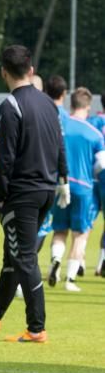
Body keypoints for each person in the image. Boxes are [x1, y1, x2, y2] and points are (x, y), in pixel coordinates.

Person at [0, 44, 68, 343]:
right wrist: (61, 179)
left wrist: (0, 194)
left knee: (24, 258)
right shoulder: (49, 105)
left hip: (22, 194)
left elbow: (6, 155)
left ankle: (36, 328)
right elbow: (59, 147)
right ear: (30, 70)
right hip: (46, 190)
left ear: (3, 72)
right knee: (13, 256)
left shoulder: (10, 106)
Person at [48, 87, 105, 291]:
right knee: (80, 233)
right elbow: (100, 166)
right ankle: (70, 279)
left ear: (71, 104)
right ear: (88, 107)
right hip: (83, 187)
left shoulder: (58, 127)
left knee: (59, 230)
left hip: (59, 184)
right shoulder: (94, 134)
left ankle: (55, 260)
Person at [87, 93, 105, 276]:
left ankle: (80, 261)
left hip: (89, 177)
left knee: (86, 221)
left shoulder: (91, 121)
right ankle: (101, 264)